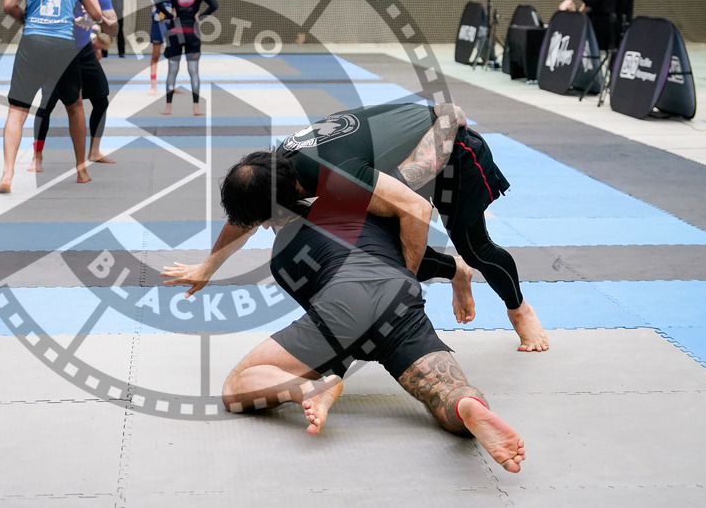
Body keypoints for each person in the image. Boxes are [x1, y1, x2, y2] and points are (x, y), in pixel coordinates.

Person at [166, 154, 526, 472]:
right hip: (400, 293)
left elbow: (340, 335)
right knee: (445, 390)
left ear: (261, 221)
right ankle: (467, 406)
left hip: (343, 305)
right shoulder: (358, 202)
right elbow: (416, 247)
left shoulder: (282, 258)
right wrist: (449, 273)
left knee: (237, 387)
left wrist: (321, 377)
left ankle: (308, 390)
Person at [163, 102, 549, 352]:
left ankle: (520, 310)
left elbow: (415, 210)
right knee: (376, 245)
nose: (264, 227)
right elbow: (247, 213)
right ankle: (455, 272)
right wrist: (209, 266)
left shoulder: (336, 175)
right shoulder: (274, 170)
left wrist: (402, 289)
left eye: (267, 218)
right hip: (394, 170)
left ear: (285, 195)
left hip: (453, 153)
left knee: (473, 247)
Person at [0, 0, 112, 193]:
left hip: (32, 42)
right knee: (75, 106)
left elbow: (9, 4)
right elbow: (96, 14)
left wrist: (25, 18)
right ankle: (81, 170)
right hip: (62, 44)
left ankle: (7, 174)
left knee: (17, 110)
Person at [30, 0, 118, 172]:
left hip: (83, 50)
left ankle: (94, 150)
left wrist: (98, 21)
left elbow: (114, 27)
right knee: (46, 104)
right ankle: (37, 155)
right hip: (57, 52)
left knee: (101, 98)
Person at [154, 0, 217, 116]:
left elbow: (158, 2)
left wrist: (170, 15)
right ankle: (196, 107)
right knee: (193, 71)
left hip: (175, 31)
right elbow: (214, 5)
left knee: (172, 70)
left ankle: (168, 107)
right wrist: (200, 15)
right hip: (192, 32)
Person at [148, 0, 179, 94]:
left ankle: (171, 84)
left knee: (173, 54)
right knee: (156, 54)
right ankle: (153, 86)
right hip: (158, 20)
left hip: (171, 21)